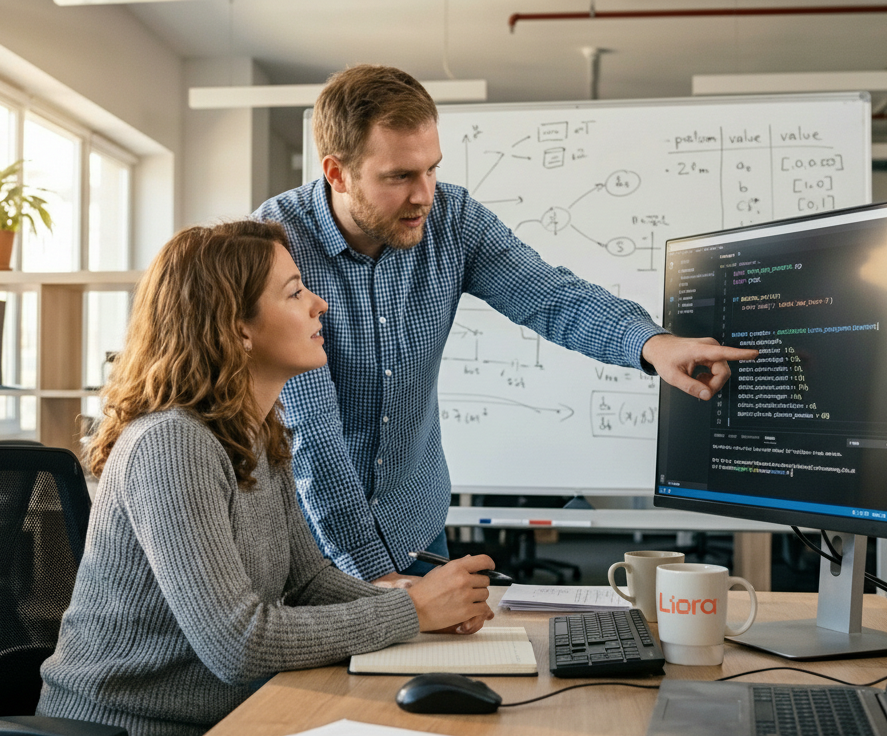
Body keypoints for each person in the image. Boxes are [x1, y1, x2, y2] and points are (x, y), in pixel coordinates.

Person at [253, 65, 759, 586]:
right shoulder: (273, 251)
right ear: (337, 173)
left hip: (414, 525)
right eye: (399, 176)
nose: (424, 195)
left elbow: (551, 297)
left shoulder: (452, 220)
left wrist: (652, 344)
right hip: (312, 544)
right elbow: (310, 432)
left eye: (431, 169)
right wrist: (379, 580)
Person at [37, 220, 496, 736]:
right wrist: (411, 610)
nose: (319, 304)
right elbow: (238, 644)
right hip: (128, 728)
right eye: (295, 293)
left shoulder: (255, 431)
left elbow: (307, 582)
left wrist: (425, 604)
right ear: (237, 329)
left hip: (229, 717)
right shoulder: (171, 444)